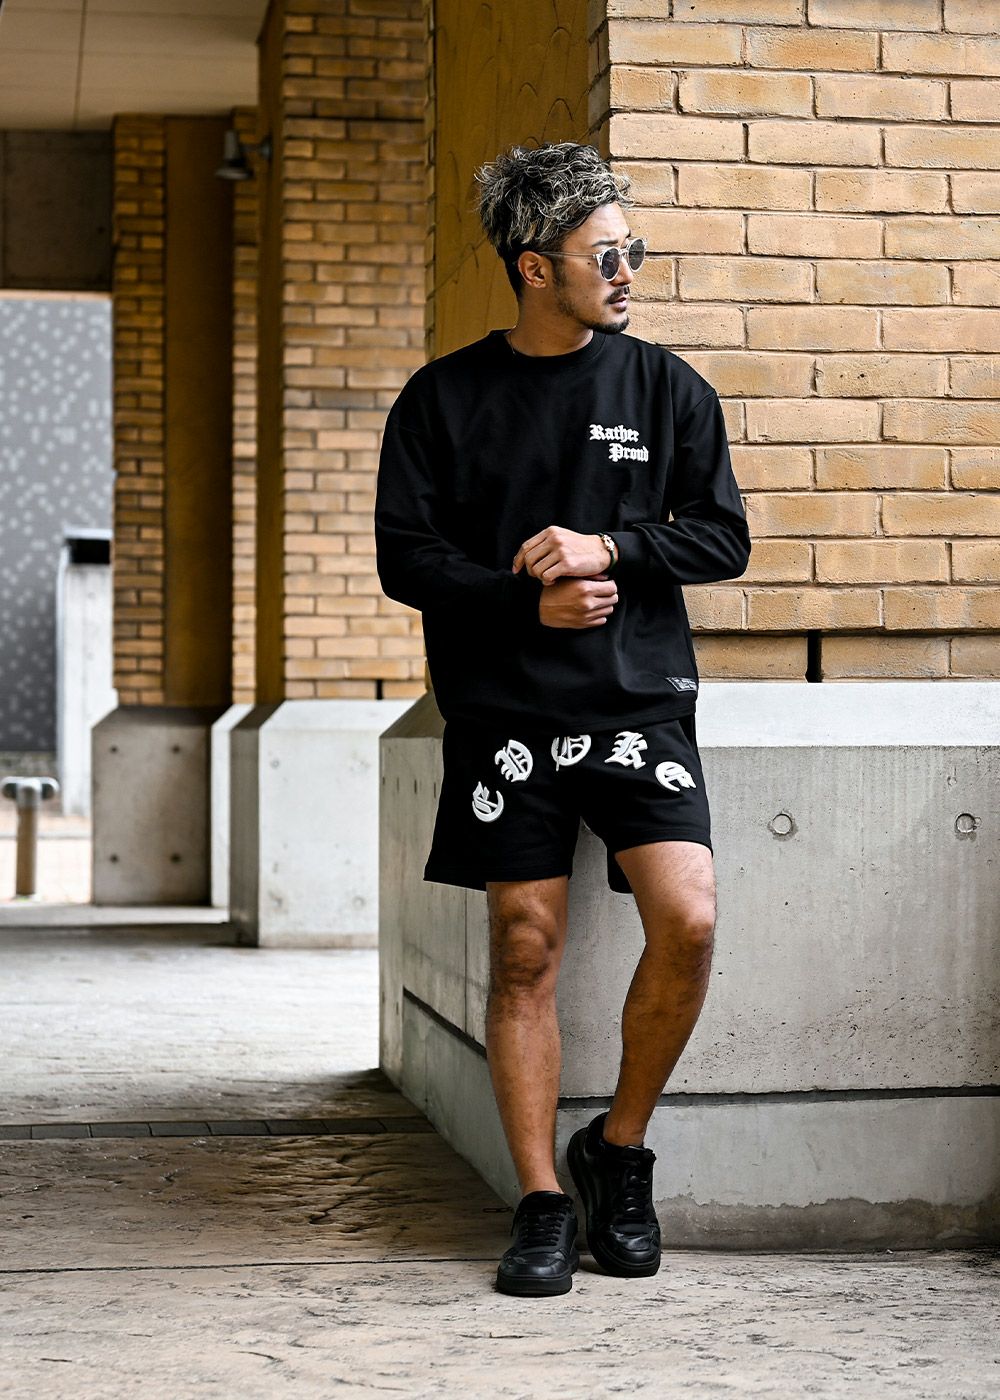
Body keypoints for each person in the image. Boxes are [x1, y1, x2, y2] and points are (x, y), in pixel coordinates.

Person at [374, 142, 751, 1297]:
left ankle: (616, 1151)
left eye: (633, 250)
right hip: (505, 715)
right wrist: (518, 597)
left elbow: (721, 537)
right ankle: (541, 1197)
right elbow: (405, 558)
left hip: (639, 704)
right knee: (526, 947)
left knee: (688, 918)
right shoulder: (443, 399)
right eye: (606, 255)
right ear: (534, 267)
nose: (627, 272)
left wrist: (612, 549)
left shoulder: (669, 391)